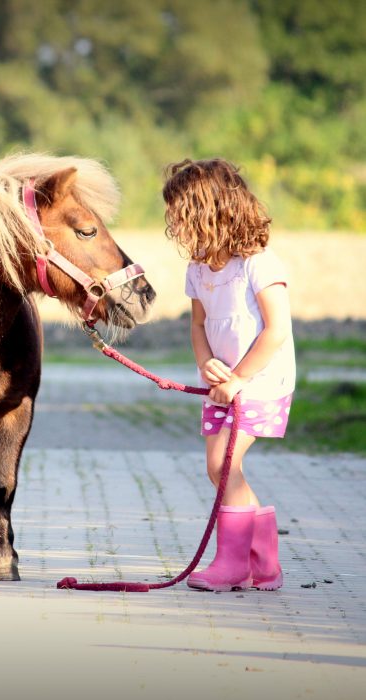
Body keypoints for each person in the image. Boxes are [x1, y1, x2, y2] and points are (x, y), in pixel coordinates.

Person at [162, 158, 295, 592]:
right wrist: (206, 366)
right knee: (219, 470)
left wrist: (238, 377)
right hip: (222, 387)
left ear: (211, 211)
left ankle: (233, 564)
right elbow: (198, 326)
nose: (175, 225)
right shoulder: (198, 269)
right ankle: (264, 562)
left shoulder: (258, 262)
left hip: (260, 382)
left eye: (180, 214)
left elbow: (277, 330)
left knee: (223, 463)